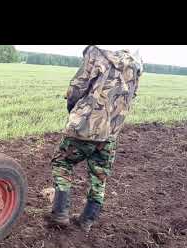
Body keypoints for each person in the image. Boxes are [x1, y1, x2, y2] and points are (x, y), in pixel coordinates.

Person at [50, 45, 143, 233]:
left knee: (62, 162)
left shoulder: (97, 52)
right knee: (99, 176)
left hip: (86, 126)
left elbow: (77, 86)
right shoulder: (136, 61)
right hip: (111, 131)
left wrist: (73, 111)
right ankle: (87, 220)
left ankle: (60, 213)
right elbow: (132, 94)